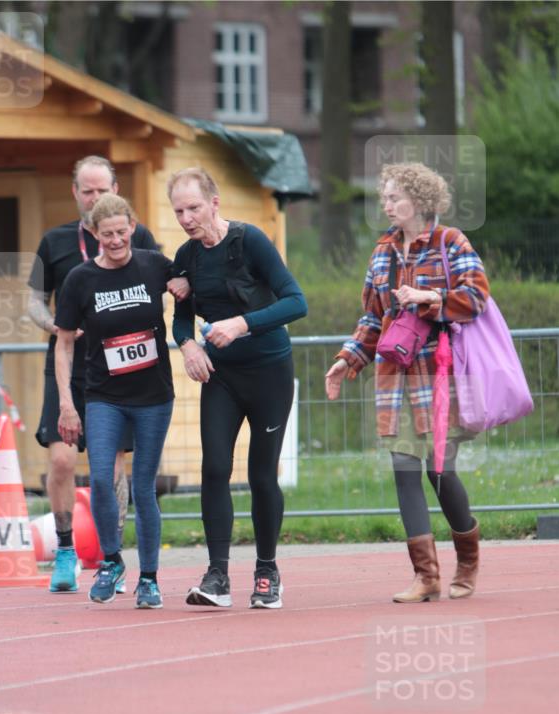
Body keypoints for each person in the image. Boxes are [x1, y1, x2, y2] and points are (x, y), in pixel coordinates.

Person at [325, 162, 488, 602]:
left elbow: (477, 296)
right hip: (394, 377)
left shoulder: (450, 242)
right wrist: (348, 359)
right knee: (404, 471)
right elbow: (373, 317)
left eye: (393, 197)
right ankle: (427, 575)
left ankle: (468, 560)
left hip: (439, 373)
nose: (386, 204)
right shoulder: (382, 251)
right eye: (384, 197)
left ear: (417, 200)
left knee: (441, 470)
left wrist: (429, 298)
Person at [169, 167, 308, 609]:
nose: (187, 218)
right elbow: (180, 317)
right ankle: (217, 576)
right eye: (178, 211)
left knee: (261, 475)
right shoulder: (187, 257)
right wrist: (188, 345)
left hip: (269, 373)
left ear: (214, 203)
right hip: (222, 378)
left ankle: (267, 571)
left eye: (194, 207)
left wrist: (241, 323)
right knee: (214, 469)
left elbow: (296, 302)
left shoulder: (251, 241)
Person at [28, 155, 159, 595]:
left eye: (103, 190)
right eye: (87, 190)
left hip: (119, 366)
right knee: (63, 459)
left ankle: (111, 556)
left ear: (116, 189)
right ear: (75, 192)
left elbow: (162, 280)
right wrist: (55, 325)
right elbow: (32, 299)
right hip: (69, 363)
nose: (96, 197)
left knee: (113, 468)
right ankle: (65, 550)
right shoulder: (56, 241)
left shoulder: (136, 236)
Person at [54, 194, 176, 608]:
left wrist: (184, 287)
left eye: (122, 232)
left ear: (132, 227)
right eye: (107, 235)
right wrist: (66, 404)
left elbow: (189, 284)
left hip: (153, 396)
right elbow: (64, 343)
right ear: (94, 234)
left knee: (144, 487)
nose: (117, 241)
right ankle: (111, 561)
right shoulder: (80, 280)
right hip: (104, 395)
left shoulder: (154, 264)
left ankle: (150, 578)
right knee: (102, 478)